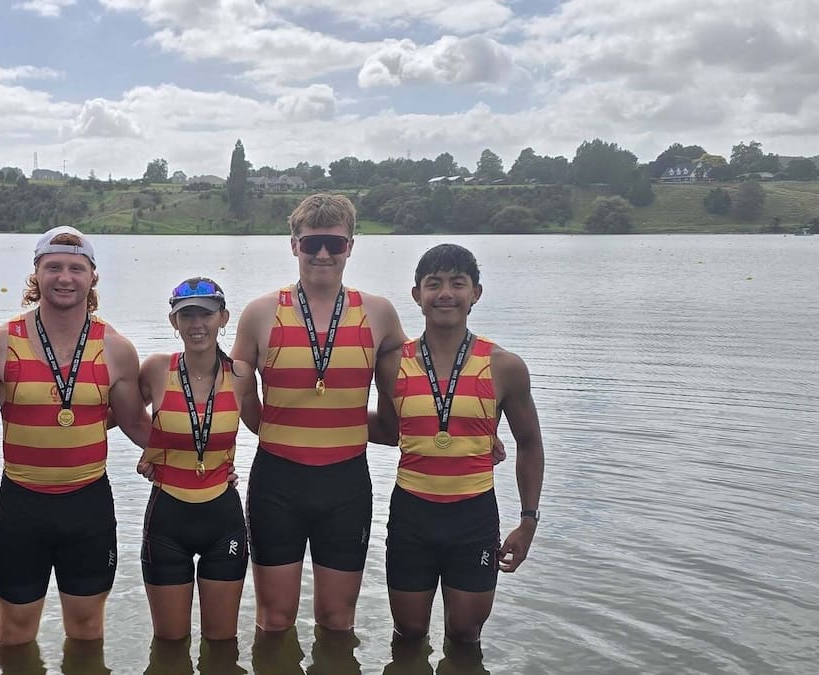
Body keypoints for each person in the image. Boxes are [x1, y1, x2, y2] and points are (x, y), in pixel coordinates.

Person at [229, 193, 408, 635]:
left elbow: (415, 388)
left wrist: (473, 433)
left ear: (351, 245)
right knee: (274, 620)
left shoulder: (379, 313)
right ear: (294, 245)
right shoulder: (260, 313)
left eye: (334, 243)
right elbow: (234, 392)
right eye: (311, 244)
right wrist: (276, 428)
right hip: (277, 481)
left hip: (346, 484)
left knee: (337, 621)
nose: (323, 254)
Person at [0, 225, 150, 646]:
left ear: (92, 277)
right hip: (21, 503)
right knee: (14, 635)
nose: (65, 277)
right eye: (53, 267)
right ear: (37, 273)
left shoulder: (116, 349)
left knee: (87, 633)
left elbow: (137, 425)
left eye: (75, 268)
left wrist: (208, 460)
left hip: (87, 506)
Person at [370, 243, 545, 648]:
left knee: (466, 636)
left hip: (473, 517)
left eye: (457, 283)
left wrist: (528, 521)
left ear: (476, 294)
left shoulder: (504, 366)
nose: (445, 293)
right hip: (411, 514)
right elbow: (389, 430)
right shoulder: (392, 365)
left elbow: (530, 443)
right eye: (434, 284)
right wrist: (312, 420)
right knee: (408, 635)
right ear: (417, 295)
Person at [135, 277, 252, 644]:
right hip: (167, 518)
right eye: (186, 316)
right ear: (174, 322)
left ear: (223, 317)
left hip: (223, 517)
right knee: (169, 647)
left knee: (222, 646)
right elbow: (114, 416)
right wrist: (149, 449)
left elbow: (268, 426)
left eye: (206, 314)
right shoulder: (156, 369)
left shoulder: (242, 375)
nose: (196, 324)